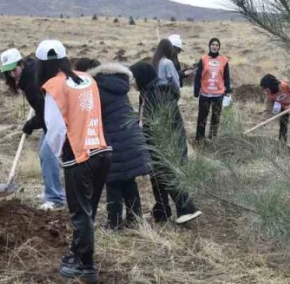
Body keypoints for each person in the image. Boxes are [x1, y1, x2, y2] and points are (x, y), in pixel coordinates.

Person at [37, 40, 112, 283]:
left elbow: (55, 128)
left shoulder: (54, 87)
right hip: (101, 149)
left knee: (80, 213)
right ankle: (77, 253)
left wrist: (60, 154)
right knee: (87, 210)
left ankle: (85, 266)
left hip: (78, 155)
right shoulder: (87, 79)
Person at [76, 58, 153, 229]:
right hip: (130, 135)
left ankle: (115, 222)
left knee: (112, 180)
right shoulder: (116, 82)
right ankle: (135, 219)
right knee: (128, 180)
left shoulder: (94, 87)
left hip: (115, 138)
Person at [131, 60, 203, 225]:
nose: (133, 82)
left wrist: (149, 140)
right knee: (156, 176)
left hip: (165, 143)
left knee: (165, 173)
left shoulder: (158, 94)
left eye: (135, 78)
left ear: (142, 77)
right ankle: (162, 211)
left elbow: (161, 124)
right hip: (160, 143)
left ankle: (186, 208)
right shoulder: (150, 91)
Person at [0, 48, 66, 210]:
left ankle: (56, 199)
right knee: (45, 156)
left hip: (58, 119)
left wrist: (30, 125)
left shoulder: (31, 82)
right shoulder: (29, 73)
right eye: (8, 72)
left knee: (47, 154)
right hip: (50, 119)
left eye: (14, 70)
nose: (12, 75)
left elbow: (44, 113)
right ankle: (50, 190)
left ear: (21, 64)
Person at [193, 37, 231, 142]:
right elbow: (198, 76)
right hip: (205, 93)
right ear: (209, 46)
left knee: (216, 118)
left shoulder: (224, 60)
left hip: (218, 94)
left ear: (219, 47)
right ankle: (199, 138)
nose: (214, 46)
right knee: (202, 117)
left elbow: (226, 77)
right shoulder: (203, 59)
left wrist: (228, 91)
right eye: (213, 44)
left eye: (216, 45)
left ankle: (213, 138)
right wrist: (196, 91)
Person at [260, 74, 290, 143]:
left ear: (271, 85)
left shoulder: (285, 85)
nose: (265, 91)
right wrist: (264, 120)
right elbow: (268, 107)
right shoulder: (269, 94)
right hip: (284, 107)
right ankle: (282, 143)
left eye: (266, 88)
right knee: (283, 124)